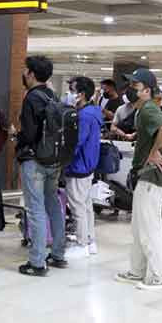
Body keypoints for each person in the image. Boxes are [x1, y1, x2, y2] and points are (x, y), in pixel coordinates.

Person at [116, 69, 162, 291]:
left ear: (147, 90)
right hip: (145, 176)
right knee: (140, 227)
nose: (131, 90)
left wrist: (154, 150)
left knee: (150, 228)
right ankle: (137, 271)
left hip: (151, 176)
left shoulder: (149, 108)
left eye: (135, 86)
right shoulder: (144, 110)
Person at [16, 55, 66, 277]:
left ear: (32, 74)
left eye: (25, 71)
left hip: (34, 161)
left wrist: (16, 136)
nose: (23, 74)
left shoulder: (31, 98)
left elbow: (29, 133)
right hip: (53, 160)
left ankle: (36, 262)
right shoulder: (52, 95)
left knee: (35, 209)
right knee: (53, 205)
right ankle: (57, 254)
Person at [64, 76, 103, 257]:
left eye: (72, 90)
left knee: (77, 206)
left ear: (81, 94)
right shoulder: (94, 112)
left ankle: (82, 244)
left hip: (79, 166)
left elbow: (76, 143)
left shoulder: (84, 116)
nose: (69, 94)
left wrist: (63, 159)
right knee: (86, 205)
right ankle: (89, 240)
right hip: (89, 166)